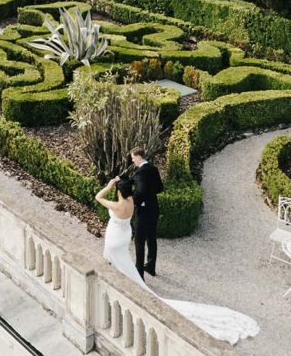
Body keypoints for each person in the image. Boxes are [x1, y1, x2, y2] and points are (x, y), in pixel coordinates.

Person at [95, 177, 259, 345]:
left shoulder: (118, 205)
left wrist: (108, 186)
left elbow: (98, 197)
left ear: (119, 192)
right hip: (123, 237)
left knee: (119, 263)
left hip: (115, 239)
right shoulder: (130, 201)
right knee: (124, 263)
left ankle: (117, 283)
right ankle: (122, 278)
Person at [129, 146, 163, 279]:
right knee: (151, 238)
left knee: (139, 241)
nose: (133, 161)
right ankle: (150, 266)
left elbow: (140, 192)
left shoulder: (140, 173)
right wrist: (149, 195)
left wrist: (134, 201)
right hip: (154, 208)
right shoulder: (153, 169)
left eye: (133, 158)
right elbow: (160, 188)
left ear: (138, 157)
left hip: (143, 212)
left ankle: (139, 273)